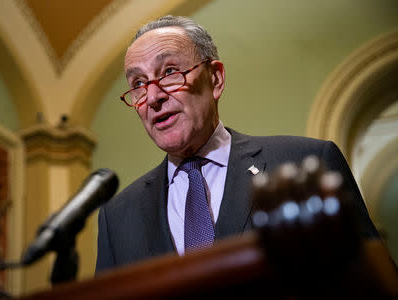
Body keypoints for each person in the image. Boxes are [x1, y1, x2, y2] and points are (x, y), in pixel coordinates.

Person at [95, 15, 380, 273]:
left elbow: (371, 281)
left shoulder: (307, 162)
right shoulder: (118, 216)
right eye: (138, 84)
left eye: (169, 72)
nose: (153, 96)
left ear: (215, 78)